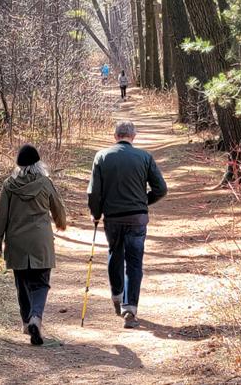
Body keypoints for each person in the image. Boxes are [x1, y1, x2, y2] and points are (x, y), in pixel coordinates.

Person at [87, 121, 167, 328]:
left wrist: (96, 213)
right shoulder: (144, 157)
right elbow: (161, 189)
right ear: (133, 136)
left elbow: (94, 192)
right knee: (134, 262)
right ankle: (130, 308)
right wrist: (143, 201)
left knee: (115, 253)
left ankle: (116, 296)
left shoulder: (102, 157)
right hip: (137, 218)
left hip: (113, 217)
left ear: (115, 136)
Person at [0, 144, 67, 345]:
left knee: (22, 282)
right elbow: (58, 209)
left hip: (17, 242)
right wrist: (61, 224)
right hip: (40, 242)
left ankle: (26, 322)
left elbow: (1, 216)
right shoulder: (45, 182)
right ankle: (36, 317)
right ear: (37, 163)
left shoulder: (9, 185)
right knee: (41, 282)